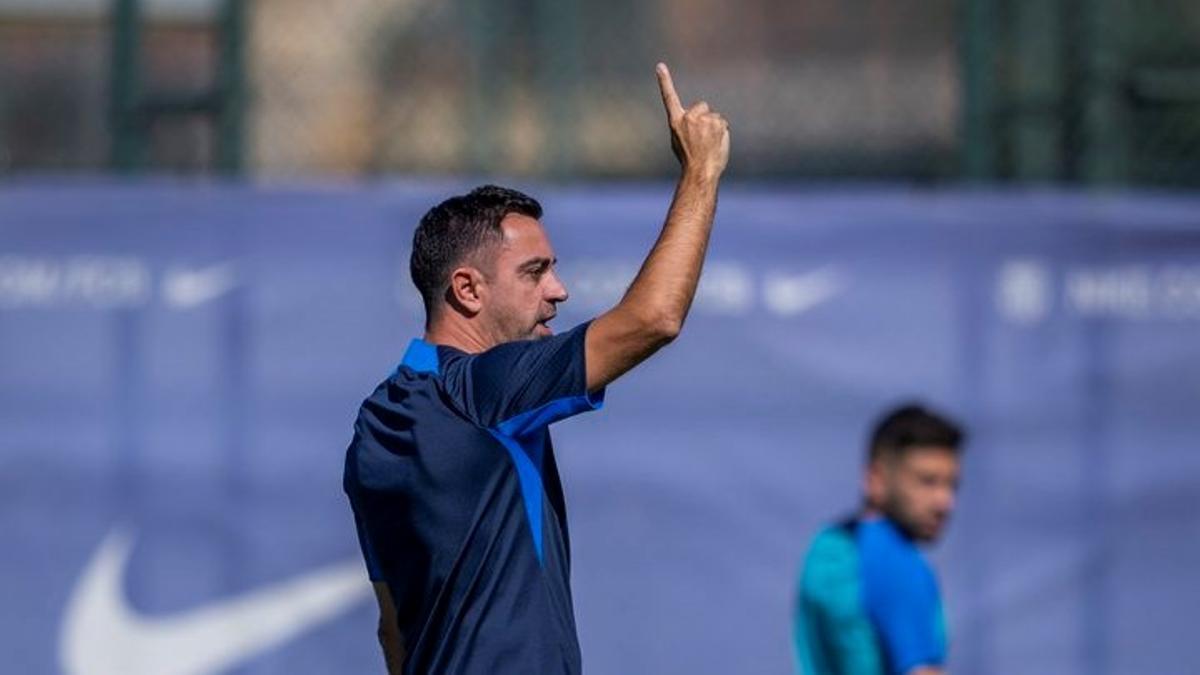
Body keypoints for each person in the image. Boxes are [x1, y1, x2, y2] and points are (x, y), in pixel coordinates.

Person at [342, 63, 729, 675]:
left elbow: (393, 632)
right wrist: (701, 173)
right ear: (467, 289)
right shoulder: (480, 391)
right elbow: (655, 318)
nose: (559, 290)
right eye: (535, 272)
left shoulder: (370, 432)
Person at [794, 404, 966, 675]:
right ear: (876, 479)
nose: (944, 502)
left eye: (952, 485)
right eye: (927, 481)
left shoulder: (828, 547)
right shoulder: (897, 563)